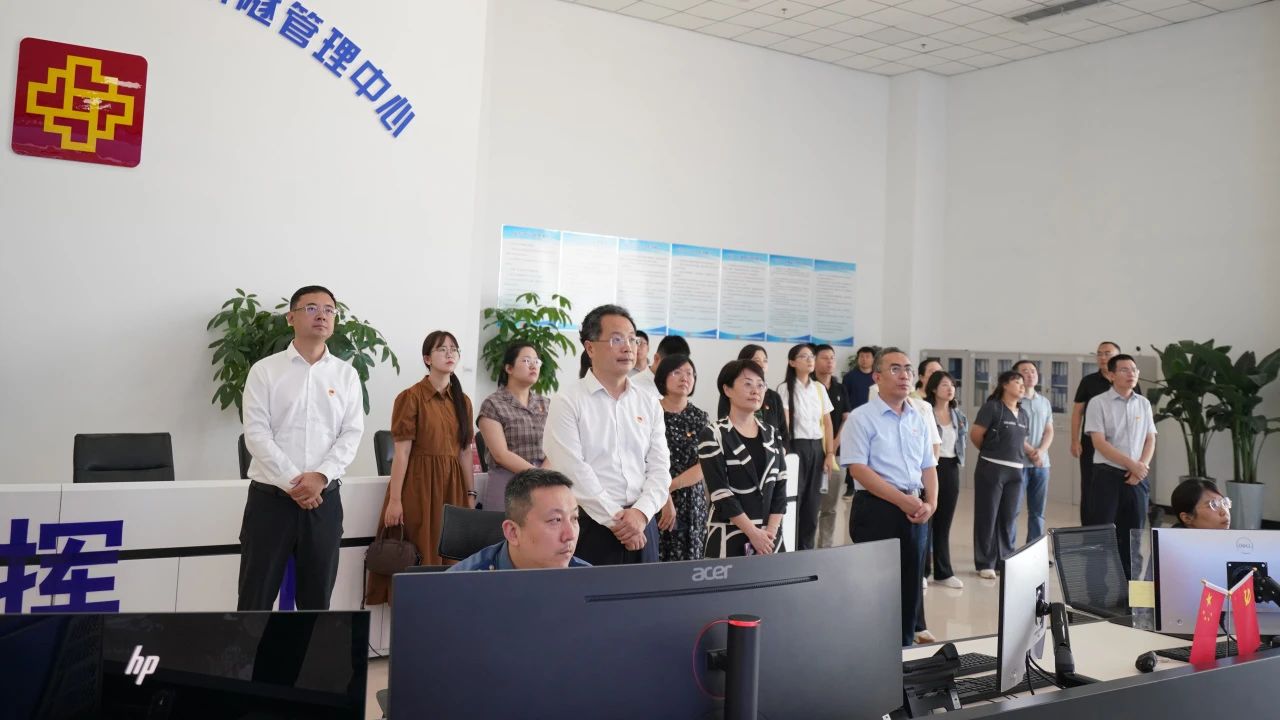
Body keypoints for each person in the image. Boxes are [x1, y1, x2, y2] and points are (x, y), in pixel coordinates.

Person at [238, 285, 363, 611]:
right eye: (311, 308)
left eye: (329, 309)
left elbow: (351, 434)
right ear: (290, 317)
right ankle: (250, 650)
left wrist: (320, 477)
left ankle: (306, 651)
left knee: (316, 602)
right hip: (271, 503)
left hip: (324, 502)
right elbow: (256, 434)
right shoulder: (264, 371)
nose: (322, 315)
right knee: (254, 600)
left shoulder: (347, 375)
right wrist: (295, 483)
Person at [543, 304, 670, 565]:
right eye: (616, 339)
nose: (628, 347)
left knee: (646, 592)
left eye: (632, 339)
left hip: (643, 524)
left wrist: (641, 514)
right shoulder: (567, 401)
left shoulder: (649, 402)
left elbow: (660, 468)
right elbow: (572, 470)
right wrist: (617, 520)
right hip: (591, 525)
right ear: (590, 348)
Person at [365, 330, 476, 605]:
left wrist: (470, 495)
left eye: (454, 349)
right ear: (427, 359)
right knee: (421, 551)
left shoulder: (463, 401)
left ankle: (443, 613)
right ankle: (416, 612)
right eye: (442, 349)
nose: (450, 354)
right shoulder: (410, 397)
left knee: (451, 555)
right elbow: (401, 453)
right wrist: (395, 500)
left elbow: (465, 453)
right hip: (418, 486)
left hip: (452, 487)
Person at [841, 347, 938, 647]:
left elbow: (928, 465)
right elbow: (858, 469)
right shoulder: (861, 418)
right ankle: (872, 652)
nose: (904, 375)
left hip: (915, 509)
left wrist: (931, 503)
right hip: (877, 509)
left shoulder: (917, 417)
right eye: (895, 369)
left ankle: (904, 648)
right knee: (877, 588)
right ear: (877, 377)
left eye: (908, 369)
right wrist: (900, 500)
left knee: (910, 586)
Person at [700, 359, 788, 558]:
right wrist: (753, 533)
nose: (755, 390)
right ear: (727, 390)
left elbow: (781, 486)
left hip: (770, 539)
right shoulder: (713, 434)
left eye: (760, 385)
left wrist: (769, 534)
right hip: (729, 536)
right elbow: (720, 493)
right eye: (748, 384)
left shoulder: (772, 434)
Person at [1084, 354, 1156, 578]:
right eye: (1124, 370)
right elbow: (1099, 443)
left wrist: (1141, 467)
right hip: (1107, 476)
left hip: (1137, 479)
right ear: (1111, 375)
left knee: (1134, 536)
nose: (1131, 373)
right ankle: (1098, 589)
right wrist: (1132, 465)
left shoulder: (1143, 403)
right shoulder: (1098, 403)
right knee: (1102, 534)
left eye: (1134, 369)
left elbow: (1150, 438)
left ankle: (1131, 589)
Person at [448, 468, 591, 571]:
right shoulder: (460, 587)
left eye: (574, 518)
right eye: (556, 520)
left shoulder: (587, 579)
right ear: (513, 533)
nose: (570, 535)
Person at [970, 370, 1030, 580]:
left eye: (1023, 383)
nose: (1022, 386)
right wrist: (991, 453)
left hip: (1016, 471)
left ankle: (1003, 560)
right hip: (992, 468)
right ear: (1004, 384)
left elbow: (1020, 441)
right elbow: (976, 435)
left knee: (1008, 518)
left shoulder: (1023, 413)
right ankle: (985, 562)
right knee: (988, 516)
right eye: (1017, 382)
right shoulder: (992, 407)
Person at [476, 342, 551, 512]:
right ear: (509, 368)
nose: (533, 365)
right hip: (508, 481)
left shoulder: (546, 404)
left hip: (545, 481)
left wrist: (545, 475)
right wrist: (538, 475)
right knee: (504, 528)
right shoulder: (493, 404)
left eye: (537, 361)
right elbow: (500, 455)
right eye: (526, 361)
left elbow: (557, 445)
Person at [778, 343, 836, 551]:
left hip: (817, 450)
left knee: (813, 505)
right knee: (794, 501)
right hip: (795, 448)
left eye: (812, 356)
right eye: (804, 356)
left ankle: (806, 552)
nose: (810, 359)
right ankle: (789, 551)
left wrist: (830, 453)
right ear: (792, 362)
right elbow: (784, 424)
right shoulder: (785, 388)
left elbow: (827, 423)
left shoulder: (819, 388)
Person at [654, 354, 710, 562]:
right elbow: (642, 459)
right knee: (657, 560)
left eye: (689, 373)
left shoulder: (700, 417)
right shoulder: (650, 412)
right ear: (663, 377)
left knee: (690, 562)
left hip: (691, 500)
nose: (684, 378)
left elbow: (704, 464)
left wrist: (669, 488)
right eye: (677, 372)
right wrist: (663, 495)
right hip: (654, 496)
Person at [1070, 341, 1122, 523]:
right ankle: (1089, 530)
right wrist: (1074, 440)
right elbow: (1077, 412)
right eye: (1099, 354)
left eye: (1107, 353)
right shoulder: (1088, 381)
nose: (1102, 357)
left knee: (1116, 487)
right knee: (1090, 486)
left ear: (1118, 356)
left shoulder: (1126, 381)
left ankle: (1114, 528)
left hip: (1120, 445)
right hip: (1091, 444)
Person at [925, 370, 967, 589]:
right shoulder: (925, 412)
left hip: (950, 467)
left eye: (952, 385)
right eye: (944, 385)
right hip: (929, 467)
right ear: (933, 388)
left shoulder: (958, 415)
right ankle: (922, 572)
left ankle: (943, 572)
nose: (950, 389)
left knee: (944, 523)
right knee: (926, 521)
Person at [1013, 360, 1054, 545]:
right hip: (1019, 463)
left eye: (1033, 371)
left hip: (1041, 465)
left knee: (1038, 513)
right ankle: (1008, 551)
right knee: (1013, 510)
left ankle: (1034, 550)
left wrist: (1041, 452)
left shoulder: (1044, 401)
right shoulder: (1014, 400)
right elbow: (1013, 431)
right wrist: (1031, 451)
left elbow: (1049, 430)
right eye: (1025, 371)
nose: (1030, 374)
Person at [814, 344, 851, 548]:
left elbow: (847, 419)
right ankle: (805, 548)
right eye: (824, 358)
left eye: (832, 358)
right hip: (811, 454)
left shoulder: (840, 388)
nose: (830, 362)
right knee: (810, 505)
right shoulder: (807, 387)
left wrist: (833, 445)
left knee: (830, 506)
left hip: (836, 454)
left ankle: (825, 548)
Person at [717, 345, 788, 449]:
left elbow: (783, 433)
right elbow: (724, 426)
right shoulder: (731, 393)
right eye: (756, 360)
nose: (762, 365)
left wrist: (780, 452)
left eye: (765, 361)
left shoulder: (774, 397)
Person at [842, 345, 878, 412]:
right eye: (861, 356)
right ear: (857, 359)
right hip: (854, 413)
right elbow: (844, 398)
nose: (864, 359)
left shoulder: (878, 377)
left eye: (867, 356)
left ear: (873, 359)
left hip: (873, 412)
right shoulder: (849, 377)